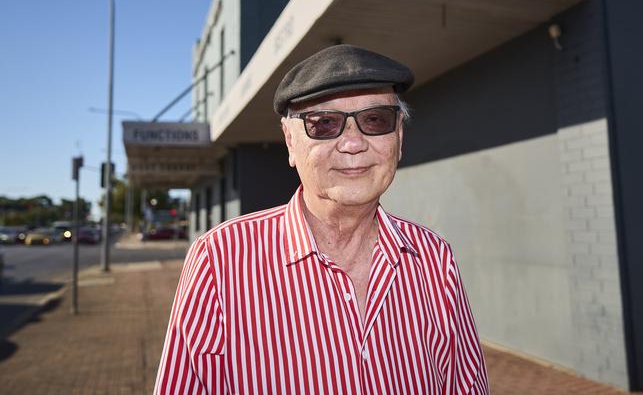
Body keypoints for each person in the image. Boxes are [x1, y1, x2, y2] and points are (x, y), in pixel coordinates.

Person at [154, 44, 489, 394]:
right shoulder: (219, 260)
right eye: (324, 124)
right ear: (290, 142)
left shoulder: (435, 259)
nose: (354, 143)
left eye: (375, 119)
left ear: (399, 137)